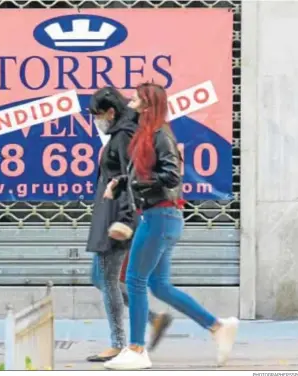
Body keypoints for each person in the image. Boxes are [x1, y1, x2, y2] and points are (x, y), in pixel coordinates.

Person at [102, 83, 239, 370]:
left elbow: (170, 176)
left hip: (160, 217)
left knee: (135, 280)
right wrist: (122, 183)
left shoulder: (159, 134)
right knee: (159, 285)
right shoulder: (147, 133)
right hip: (162, 216)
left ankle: (137, 349)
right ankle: (217, 327)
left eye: (137, 97)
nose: (132, 100)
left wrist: (135, 184)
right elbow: (148, 174)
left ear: (148, 104)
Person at [86, 87, 173, 363]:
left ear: (110, 112)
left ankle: (119, 343)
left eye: (98, 115)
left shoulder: (123, 135)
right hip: (110, 213)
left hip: (117, 216)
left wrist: (124, 220)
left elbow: (130, 177)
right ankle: (153, 319)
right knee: (100, 277)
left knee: (107, 278)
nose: (96, 120)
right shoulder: (120, 131)